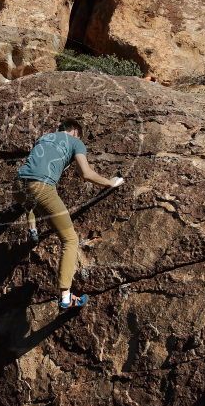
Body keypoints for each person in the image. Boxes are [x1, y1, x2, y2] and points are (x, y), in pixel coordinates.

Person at [16, 119, 124, 309]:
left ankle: (32, 228)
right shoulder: (76, 142)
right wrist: (110, 182)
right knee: (70, 239)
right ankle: (66, 297)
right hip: (41, 187)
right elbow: (86, 174)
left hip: (18, 186)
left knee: (30, 202)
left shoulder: (44, 137)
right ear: (75, 131)